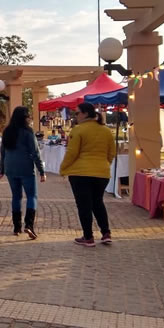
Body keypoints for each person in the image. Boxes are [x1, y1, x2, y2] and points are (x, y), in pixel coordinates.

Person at [60, 102, 116, 247]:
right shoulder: (106, 131)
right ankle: (106, 233)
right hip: (102, 173)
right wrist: (103, 165)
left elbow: (72, 153)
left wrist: (63, 168)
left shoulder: (78, 130)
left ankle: (88, 236)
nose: (75, 116)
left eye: (77, 113)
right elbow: (111, 153)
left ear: (85, 113)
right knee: (98, 202)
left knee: (84, 205)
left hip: (80, 173)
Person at [0, 107, 46, 239]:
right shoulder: (27, 132)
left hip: (10, 168)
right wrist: (42, 171)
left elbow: (2, 152)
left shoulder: (7, 131)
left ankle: (16, 227)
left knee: (16, 197)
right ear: (25, 118)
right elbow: (35, 152)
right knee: (32, 196)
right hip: (25, 167)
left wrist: (2, 170)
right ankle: (29, 225)